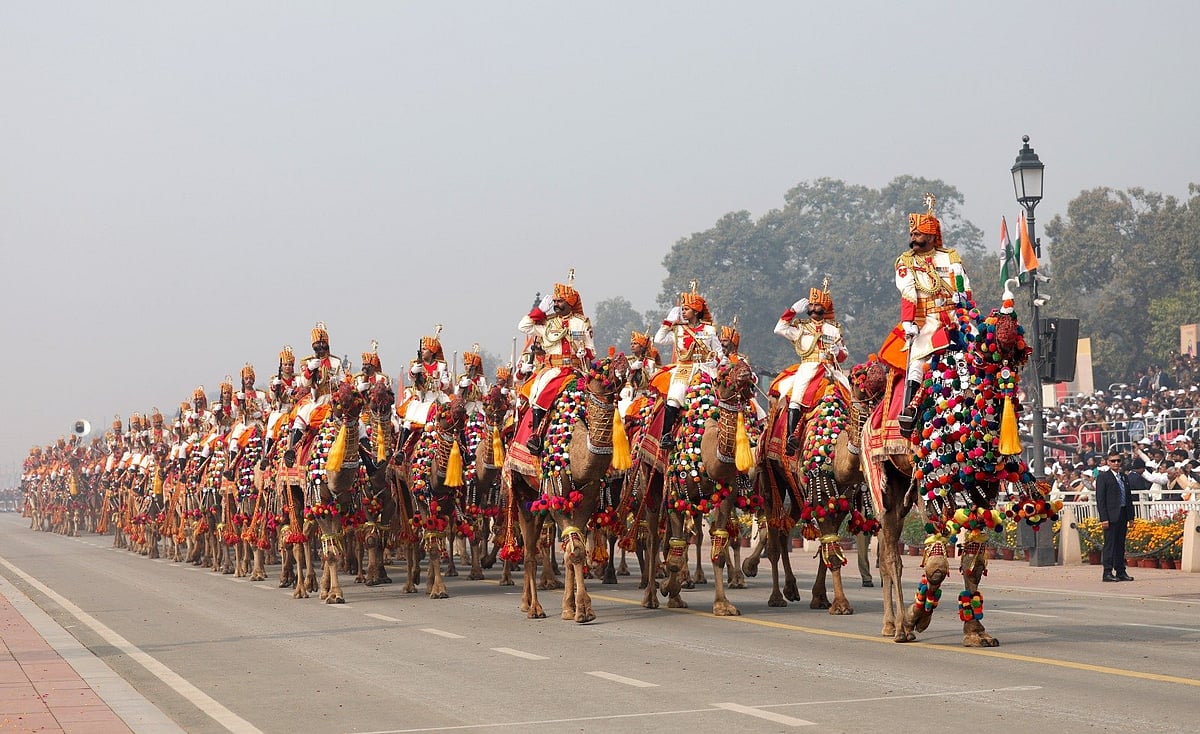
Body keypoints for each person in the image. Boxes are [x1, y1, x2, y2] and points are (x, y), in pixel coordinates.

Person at [892, 194, 972, 431]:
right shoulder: (906, 262)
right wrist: (908, 322)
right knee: (917, 361)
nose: (913, 239)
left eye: (917, 234)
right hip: (927, 321)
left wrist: (963, 298)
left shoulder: (950, 257)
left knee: (981, 351)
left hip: (956, 318)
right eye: (912, 234)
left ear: (930, 235)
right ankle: (909, 411)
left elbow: (964, 284)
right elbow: (908, 293)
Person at [518, 277, 595, 454]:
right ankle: (536, 436)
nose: (556, 304)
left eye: (560, 301)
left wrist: (585, 354)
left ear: (569, 302)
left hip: (577, 370)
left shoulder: (582, 323)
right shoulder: (547, 323)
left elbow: (591, 350)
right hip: (552, 370)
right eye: (555, 301)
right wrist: (539, 311)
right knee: (539, 397)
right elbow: (523, 326)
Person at [773, 283, 850, 455]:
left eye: (817, 305)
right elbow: (779, 329)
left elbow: (844, 354)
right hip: (808, 367)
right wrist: (792, 311)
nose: (814, 309)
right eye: (811, 305)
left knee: (849, 394)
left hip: (830, 369)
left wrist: (838, 352)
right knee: (796, 397)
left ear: (825, 307)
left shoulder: (834, 329)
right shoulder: (800, 327)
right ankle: (791, 437)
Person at [653, 282, 725, 448]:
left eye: (685, 309)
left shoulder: (709, 330)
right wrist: (668, 321)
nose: (682, 312)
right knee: (674, 398)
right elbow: (659, 339)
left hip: (706, 368)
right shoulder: (678, 330)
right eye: (682, 309)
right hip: (684, 369)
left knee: (720, 399)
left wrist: (715, 362)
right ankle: (666, 436)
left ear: (696, 311)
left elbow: (719, 352)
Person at [287, 322, 346, 457]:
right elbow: (304, 382)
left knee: (356, 423)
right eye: (317, 346)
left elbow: (343, 381)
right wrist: (309, 369)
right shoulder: (309, 362)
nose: (320, 348)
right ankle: (291, 453)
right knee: (301, 418)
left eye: (322, 344)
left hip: (334, 399)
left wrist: (336, 381)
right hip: (317, 399)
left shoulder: (336, 362)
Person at [1095, 450, 1135, 582]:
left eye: (1118, 460)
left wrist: (1131, 517)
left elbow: (1128, 497)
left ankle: (1120, 571)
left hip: (1123, 513)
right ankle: (1107, 572)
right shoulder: (1103, 477)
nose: (1116, 463)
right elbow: (1100, 500)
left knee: (1120, 544)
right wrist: (1104, 518)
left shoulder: (1123, 476)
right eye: (1113, 461)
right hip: (1111, 516)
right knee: (1110, 545)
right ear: (1108, 462)